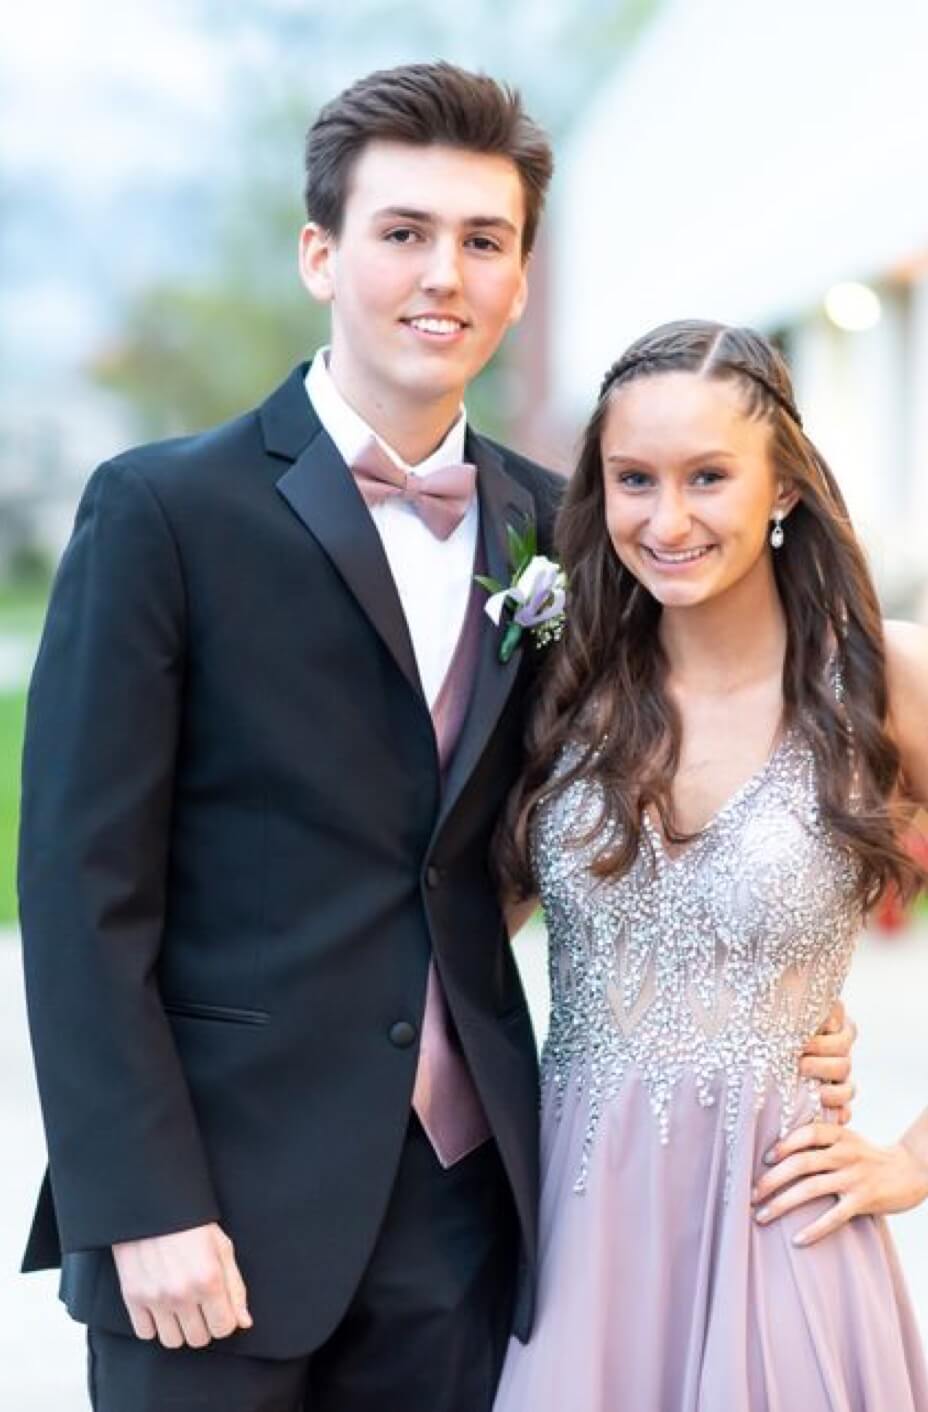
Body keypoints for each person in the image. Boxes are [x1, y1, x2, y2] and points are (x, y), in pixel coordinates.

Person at [17, 64, 855, 1412]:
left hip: (472, 1214)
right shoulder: (163, 513)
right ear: (320, 254)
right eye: (402, 232)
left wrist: (788, 999)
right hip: (215, 1213)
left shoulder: (568, 530)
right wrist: (139, 1204)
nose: (442, 275)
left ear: (522, 280)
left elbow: (658, 781)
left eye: (484, 241)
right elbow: (77, 892)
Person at [493, 319, 928, 1411]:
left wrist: (915, 1157)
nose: (667, 518)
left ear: (782, 485)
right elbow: (450, 918)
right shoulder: (563, 681)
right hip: (580, 1221)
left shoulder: (882, 675)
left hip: (779, 1216)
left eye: (708, 477)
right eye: (632, 479)